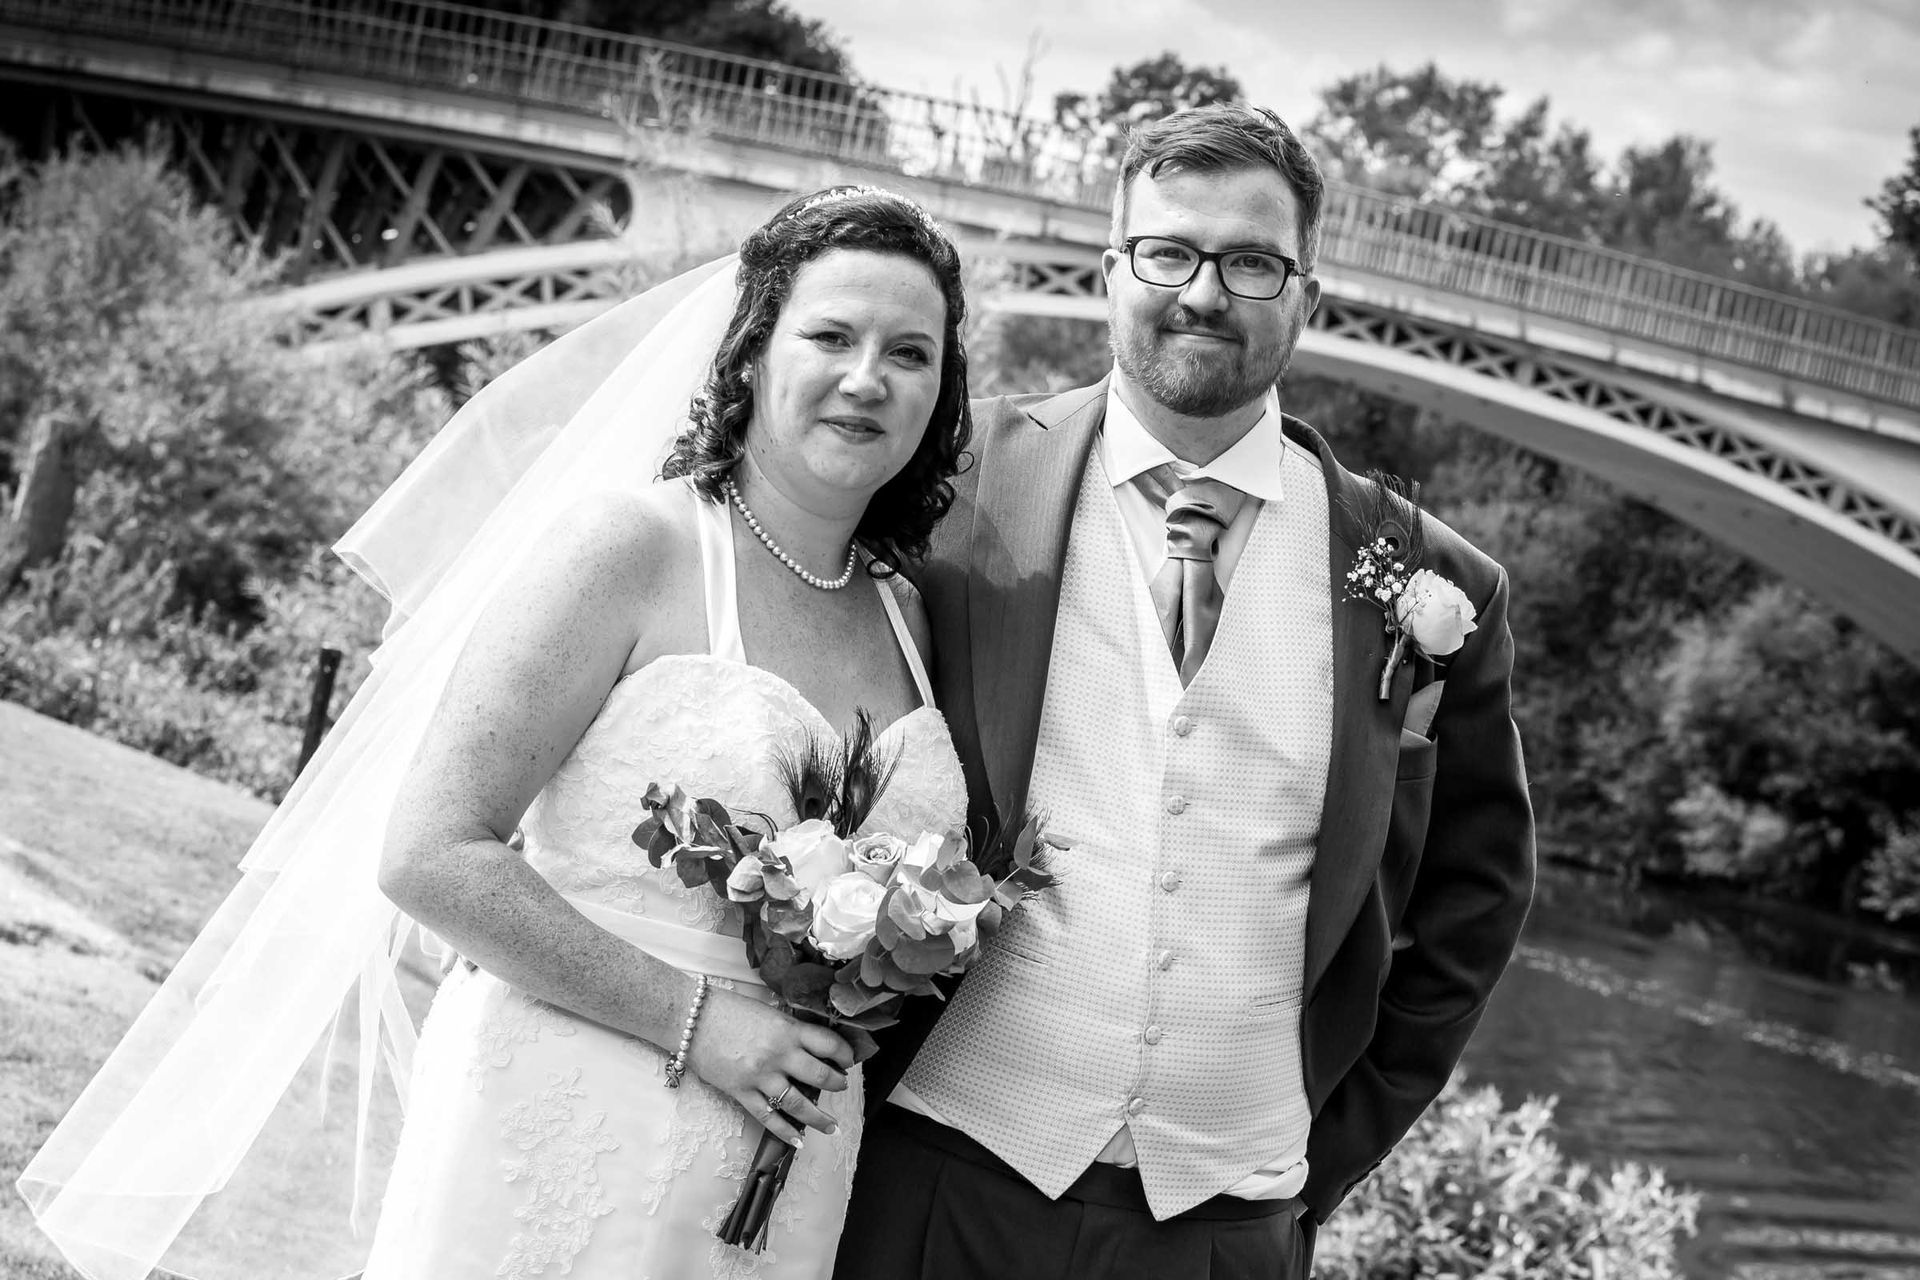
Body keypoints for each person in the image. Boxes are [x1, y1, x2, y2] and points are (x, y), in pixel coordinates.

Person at [18, 185, 973, 1280]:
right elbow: (430, 851)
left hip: (791, 1157)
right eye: (832, 335)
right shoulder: (628, 547)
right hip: (567, 1110)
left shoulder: (910, 618)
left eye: (911, 352)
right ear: (752, 350)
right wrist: (698, 1019)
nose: (869, 378)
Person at [835, 103, 1537, 1280]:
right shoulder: (953, 490)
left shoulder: (1436, 580)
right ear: (1112, 270)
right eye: (1167, 251)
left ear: (1306, 289)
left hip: (1229, 1227)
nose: (1204, 291)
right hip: (933, 1175)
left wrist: (1316, 1155)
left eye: (1253, 261)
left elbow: (1474, 904)